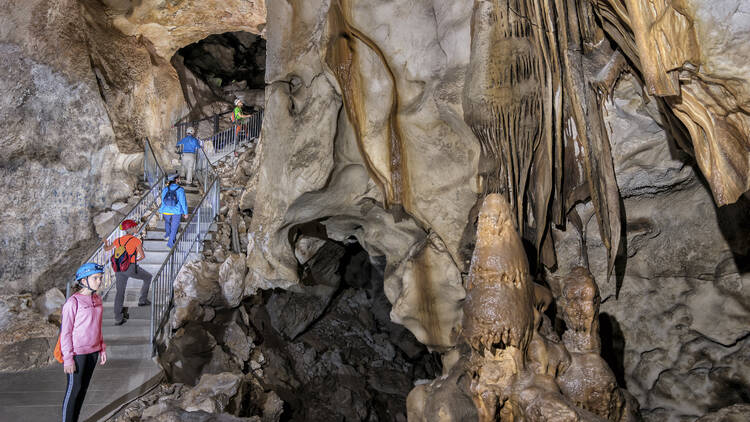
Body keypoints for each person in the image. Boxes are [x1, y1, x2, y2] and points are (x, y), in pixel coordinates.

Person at [61, 263, 107, 422]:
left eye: (100, 278)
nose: (99, 281)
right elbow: (65, 333)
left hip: (93, 352)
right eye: (95, 278)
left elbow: (97, 326)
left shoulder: (97, 298)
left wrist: (102, 348)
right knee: (74, 390)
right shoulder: (73, 303)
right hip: (77, 354)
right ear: (84, 280)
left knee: (83, 389)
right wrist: (68, 358)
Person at [103, 219, 152, 325]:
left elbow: (106, 249)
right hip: (130, 268)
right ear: (131, 228)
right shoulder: (136, 241)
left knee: (120, 293)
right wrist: (134, 261)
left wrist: (105, 243)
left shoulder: (118, 240)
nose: (136, 228)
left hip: (119, 269)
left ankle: (118, 318)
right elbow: (142, 256)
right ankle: (142, 300)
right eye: (135, 226)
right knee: (148, 277)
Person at [159, 174, 188, 249]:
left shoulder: (165, 189)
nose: (179, 179)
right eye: (179, 178)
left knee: (167, 222)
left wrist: (163, 208)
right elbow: (183, 202)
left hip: (166, 210)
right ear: (176, 180)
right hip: (176, 211)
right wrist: (185, 213)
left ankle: (167, 235)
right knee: (174, 227)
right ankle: (170, 243)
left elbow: (163, 200)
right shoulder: (180, 189)